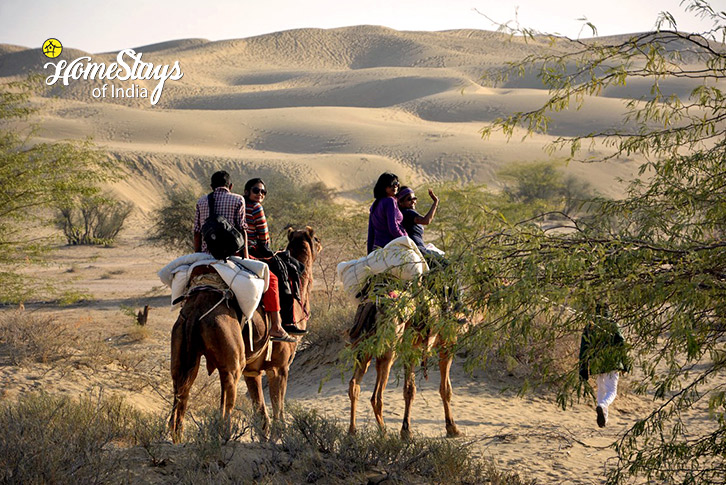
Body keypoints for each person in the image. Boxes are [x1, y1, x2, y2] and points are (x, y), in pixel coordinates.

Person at [193, 171, 295, 343]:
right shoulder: (237, 200)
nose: (260, 194)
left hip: (205, 256)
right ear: (231, 186)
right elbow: (243, 230)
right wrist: (246, 258)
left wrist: (198, 257)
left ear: (211, 187)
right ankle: (276, 327)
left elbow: (197, 232)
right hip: (232, 256)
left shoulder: (201, 201)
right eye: (258, 191)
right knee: (273, 279)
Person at [243, 177, 307, 337]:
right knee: (286, 271)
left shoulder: (239, 205)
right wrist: (271, 252)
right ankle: (286, 322)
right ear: (247, 191)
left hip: (237, 250)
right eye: (256, 190)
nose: (260, 194)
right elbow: (264, 239)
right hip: (254, 252)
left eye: (263, 192)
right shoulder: (256, 208)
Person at [579, 303, 631, 428]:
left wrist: (583, 368)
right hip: (612, 362)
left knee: (601, 390)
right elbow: (622, 345)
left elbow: (584, 348)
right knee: (612, 391)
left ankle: (604, 419)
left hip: (597, 363)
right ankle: (602, 406)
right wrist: (625, 364)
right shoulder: (613, 325)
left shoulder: (590, 327)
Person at [367, 172, 406, 255]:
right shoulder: (390, 201)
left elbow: (371, 232)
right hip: (391, 247)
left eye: (396, 183)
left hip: (377, 249)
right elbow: (393, 227)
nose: (395, 186)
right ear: (384, 186)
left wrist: (369, 254)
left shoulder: (375, 204)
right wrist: (405, 240)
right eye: (391, 184)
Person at [396, 186, 440, 256]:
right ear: (401, 202)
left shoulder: (402, 213)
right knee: (445, 264)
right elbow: (426, 221)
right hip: (418, 249)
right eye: (409, 199)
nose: (413, 201)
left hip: (417, 247)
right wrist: (435, 202)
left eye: (414, 198)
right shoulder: (408, 213)